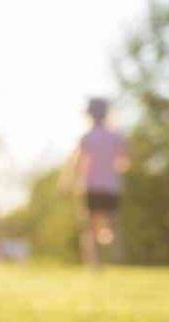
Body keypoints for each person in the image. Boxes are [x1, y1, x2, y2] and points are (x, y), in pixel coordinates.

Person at [63, 97, 129, 267]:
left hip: (90, 186)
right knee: (112, 223)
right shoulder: (116, 137)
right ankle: (113, 254)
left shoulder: (87, 137)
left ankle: (95, 262)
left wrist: (67, 183)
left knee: (90, 227)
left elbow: (77, 164)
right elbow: (124, 162)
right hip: (111, 186)